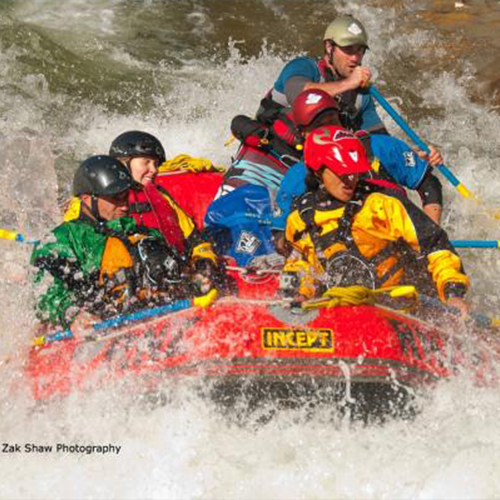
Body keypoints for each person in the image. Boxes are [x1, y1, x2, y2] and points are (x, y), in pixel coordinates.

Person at [281, 125, 469, 315]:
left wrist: (453, 293)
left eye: (354, 171)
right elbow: (301, 265)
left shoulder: (381, 204)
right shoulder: (301, 219)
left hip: (404, 307)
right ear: (317, 171)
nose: (350, 179)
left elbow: (436, 245)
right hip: (341, 311)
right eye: (341, 172)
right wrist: (299, 295)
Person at [31, 155, 219, 337]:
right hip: (100, 326)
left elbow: (175, 272)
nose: (124, 206)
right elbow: (45, 292)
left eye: (125, 196)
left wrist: (196, 275)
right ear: (88, 199)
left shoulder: (142, 233)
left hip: (150, 320)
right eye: (115, 198)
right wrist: (73, 314)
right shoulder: (63, 238)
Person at [274, 89, 445, 228]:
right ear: (303, 134)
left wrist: (430, 232)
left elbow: (428, 184)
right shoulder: (296, 177)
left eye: (333, 121)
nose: (329, 130)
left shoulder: (379, 146)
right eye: (319, 126)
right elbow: (281, 237)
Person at [108, 130, 223, 290]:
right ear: (123, 163)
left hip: (173, 276)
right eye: (146, 162)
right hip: (131, 283)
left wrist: (203, 262)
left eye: (155, 164)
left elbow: (194, 239)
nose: (154, 169)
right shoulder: (102, 200)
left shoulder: (161, 195)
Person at [256, 14, 387, 134]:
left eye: (360, 50)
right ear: (329, 47)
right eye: (348, 49)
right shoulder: (303, 66)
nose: (355, 58)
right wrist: (348, 83)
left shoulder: (361, 95)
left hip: (313, 155)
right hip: (269, 147)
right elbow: (298, 94)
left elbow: (380, 139)